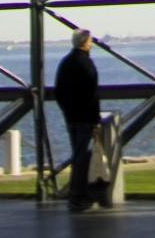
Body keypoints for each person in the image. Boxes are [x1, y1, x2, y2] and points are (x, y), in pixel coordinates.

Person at [53, 27, 102, 212]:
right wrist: (95, 117)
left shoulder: (66, 63)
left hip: (71, 116)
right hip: (85, 118)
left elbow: (59, 91)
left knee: (78, 155)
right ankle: (79, 197)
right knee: (83, 159)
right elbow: (92, 94)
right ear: (85, 42)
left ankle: (75, 195)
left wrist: (67, 111)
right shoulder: (86, 64)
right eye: (90, 41)